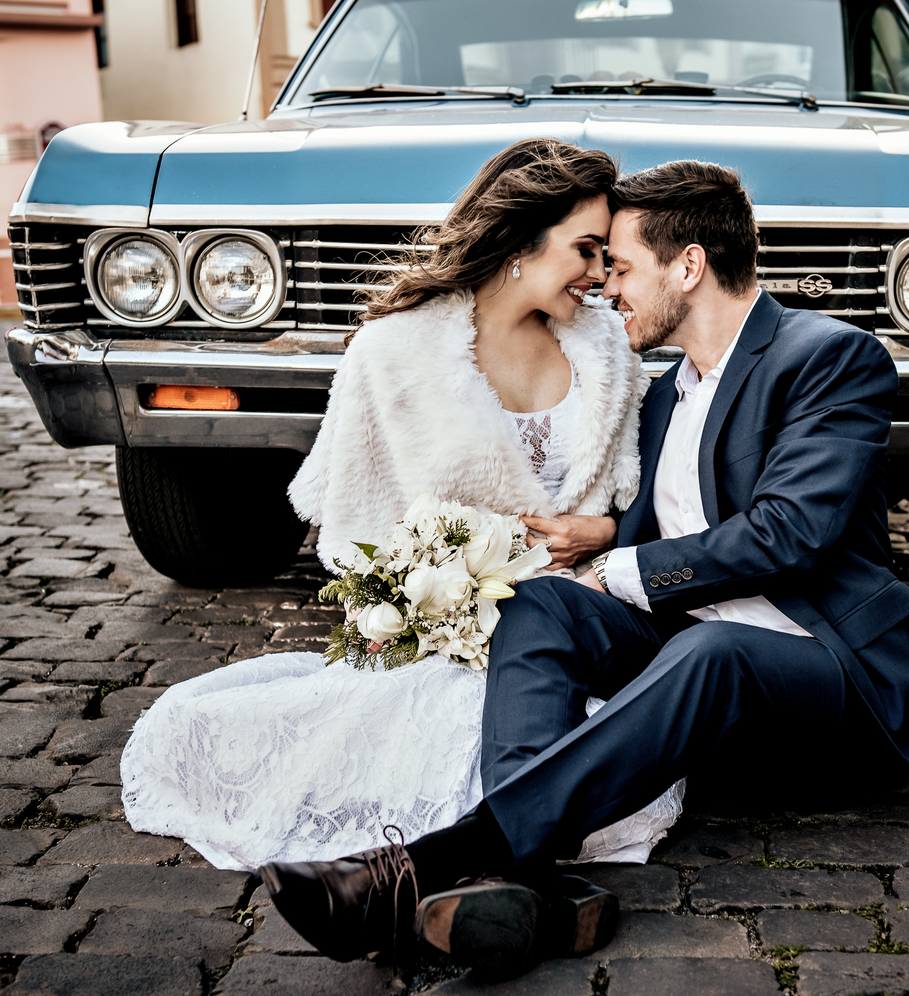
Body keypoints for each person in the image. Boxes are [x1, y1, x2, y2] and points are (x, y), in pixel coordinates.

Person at [262, 160, 909, 976]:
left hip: (840, 686)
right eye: (598, 264)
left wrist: (623, 568)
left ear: (690, 266)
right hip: (699, 675)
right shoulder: (666, 393)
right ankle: (520, 881)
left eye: (623, 266)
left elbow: (790, 532)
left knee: (713, 651)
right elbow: (647, 525)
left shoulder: (828, 358)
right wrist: (591, 541)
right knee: (539, 607)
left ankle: (418, 870)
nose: (606, 286)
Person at [120, 139, 686, 878]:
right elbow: (357, 536)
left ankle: (475, 867)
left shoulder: (610, 350)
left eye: (607, 258)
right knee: (229, 735)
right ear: (521, 238)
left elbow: (645, 493)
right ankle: (467, 871)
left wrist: (606, 532)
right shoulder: (391, 353)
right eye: (586, 249)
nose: (599, 275)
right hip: (441, 635)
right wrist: (429, 605)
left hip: (579, 619)